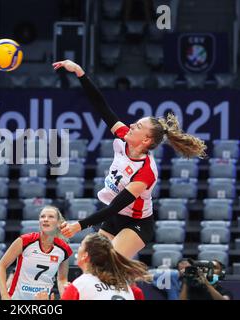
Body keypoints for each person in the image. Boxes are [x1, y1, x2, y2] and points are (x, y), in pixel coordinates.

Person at [54, 60, 207, 259]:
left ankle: (132, 284)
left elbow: (116, 205)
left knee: (111, 262)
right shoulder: (124, 136)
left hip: (137, 224)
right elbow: (101, 105)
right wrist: (80, 73)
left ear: (145, 140)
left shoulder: (145, 172)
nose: (131, 125)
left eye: (137, 126)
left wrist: (79, 226)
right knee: (90, 261)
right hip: (114, 217)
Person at [37, 233, 148, 300]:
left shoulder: (80, 285)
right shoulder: (130, 288)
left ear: (85, 255)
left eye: (81, 246)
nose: (78, 249)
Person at [0, 206, 72, 300]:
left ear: (58, 223)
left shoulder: (64, 249)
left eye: (51, 217)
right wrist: (4, 295)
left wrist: (65, 296)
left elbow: (62, 279)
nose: (45, 219)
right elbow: (1, 266)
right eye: (42, 217)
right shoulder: (25, 241)